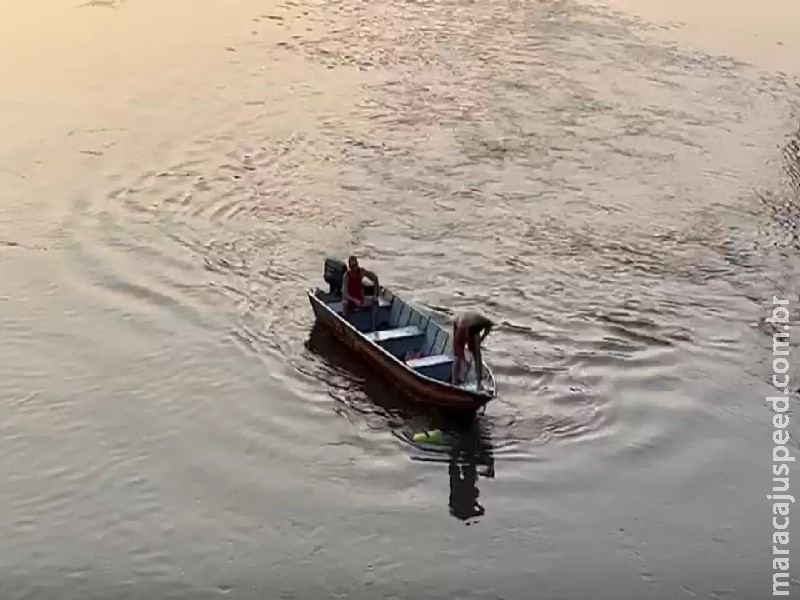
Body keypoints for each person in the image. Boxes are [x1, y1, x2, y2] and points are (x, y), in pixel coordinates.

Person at [452, 311, 494, 390]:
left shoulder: (484, 322)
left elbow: (489, 326)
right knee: (458, 356)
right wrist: (463, 359)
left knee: (477, 355)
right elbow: (458, 344)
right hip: (461, 324)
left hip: (472, 327)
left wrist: (482, 337)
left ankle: (479, 384)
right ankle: (454, 382)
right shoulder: (461, 327)